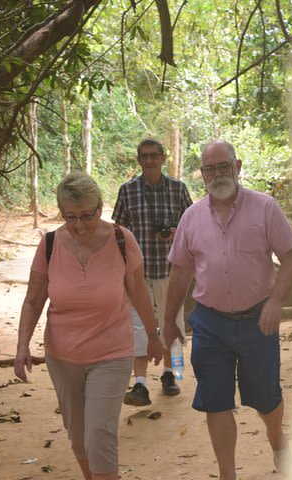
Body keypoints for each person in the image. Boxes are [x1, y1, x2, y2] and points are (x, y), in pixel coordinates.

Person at [162, 140, 292, 478]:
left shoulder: (265, 208)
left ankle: (277, 437)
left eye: (223, 166)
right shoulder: (191, 217)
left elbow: (291, 257)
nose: (217, 174)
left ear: (237, 167)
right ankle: (228, 474)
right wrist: (168, 319)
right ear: (202, 174)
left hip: (258, 320)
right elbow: (180, 270)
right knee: (215, 400)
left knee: (266, 398)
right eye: (209, 169)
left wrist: (276, 300)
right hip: (210, 323)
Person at [13, 171, 163, 480]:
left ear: (100, 207)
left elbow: (137, 291)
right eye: (71, 217)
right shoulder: (51, 244)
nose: (79, 225)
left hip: (112, 352)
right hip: (63, 356)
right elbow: (33, 300)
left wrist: (152, 335)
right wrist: (22, 345)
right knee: (78, 435)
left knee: (99, 431)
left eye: (87, 216)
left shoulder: (122, 239)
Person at [112, 138, 193, 406]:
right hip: (137, 271)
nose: (148, 160)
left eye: (153, 155)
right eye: (144, 156)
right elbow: (119, 230)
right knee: (138, 325)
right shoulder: (128, 190)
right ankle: (140, 383)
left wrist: (173, 234)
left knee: (173, 321)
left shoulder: (178, 189)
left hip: (171, 268)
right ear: (138, 160)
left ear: (163, 158)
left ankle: (170, 374)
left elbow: (192, 225)